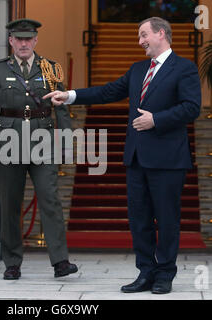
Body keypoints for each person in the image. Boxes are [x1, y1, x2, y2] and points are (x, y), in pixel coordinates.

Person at [44, 17, 201, 294]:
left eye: (143, 35)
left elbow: (191, 108)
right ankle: (146, 272)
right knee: (139, 219)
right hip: (137, 158)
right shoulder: (138, 69)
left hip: (168, 160)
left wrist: (157, 119)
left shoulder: (184, 68)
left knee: (166, 220)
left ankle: (165, 274)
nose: (140, 42)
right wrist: (69, 95)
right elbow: (108, 91)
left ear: (161, 33)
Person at [0, 18, 78, 280]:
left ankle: (60, 261)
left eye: (28, 39)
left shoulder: (51, 68)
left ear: (35, 40)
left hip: (43, 141)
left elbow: (61, 108)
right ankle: (12, 262)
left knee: (50, 199)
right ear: (11, 41)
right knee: (10, 203)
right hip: (8, 142)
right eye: (18, 39)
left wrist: (66, 142)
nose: (23, 43)